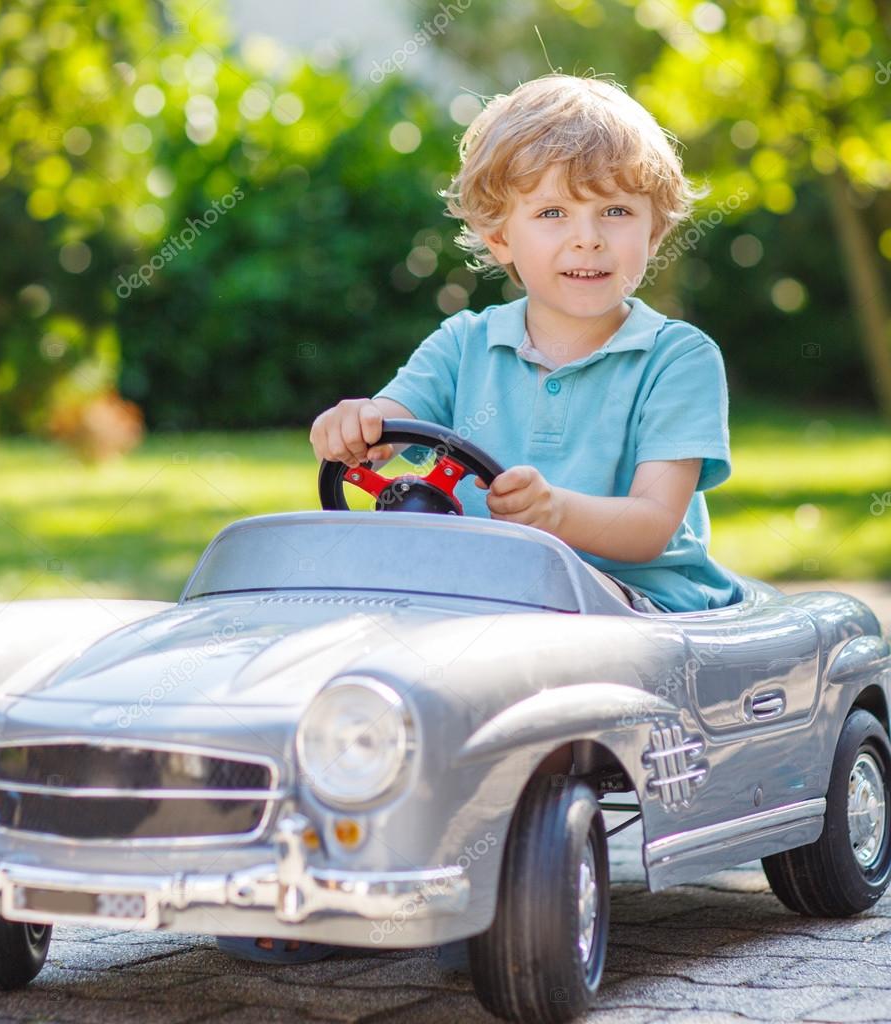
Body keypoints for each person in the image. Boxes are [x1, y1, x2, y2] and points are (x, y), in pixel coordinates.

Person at [218, 70, 742, 967]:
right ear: (501, 236)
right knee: (341, 670)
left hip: (630, 608)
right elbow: (379, 433)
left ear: (655, 226)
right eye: (553, 216)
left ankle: (487, 878)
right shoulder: (464, 344)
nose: (587, 240)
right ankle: (303, 849)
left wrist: (556, 513)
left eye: (615, 213)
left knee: (489, 697)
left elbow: (656, 525)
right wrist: (344, 427)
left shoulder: (676, 357)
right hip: (478, 601)